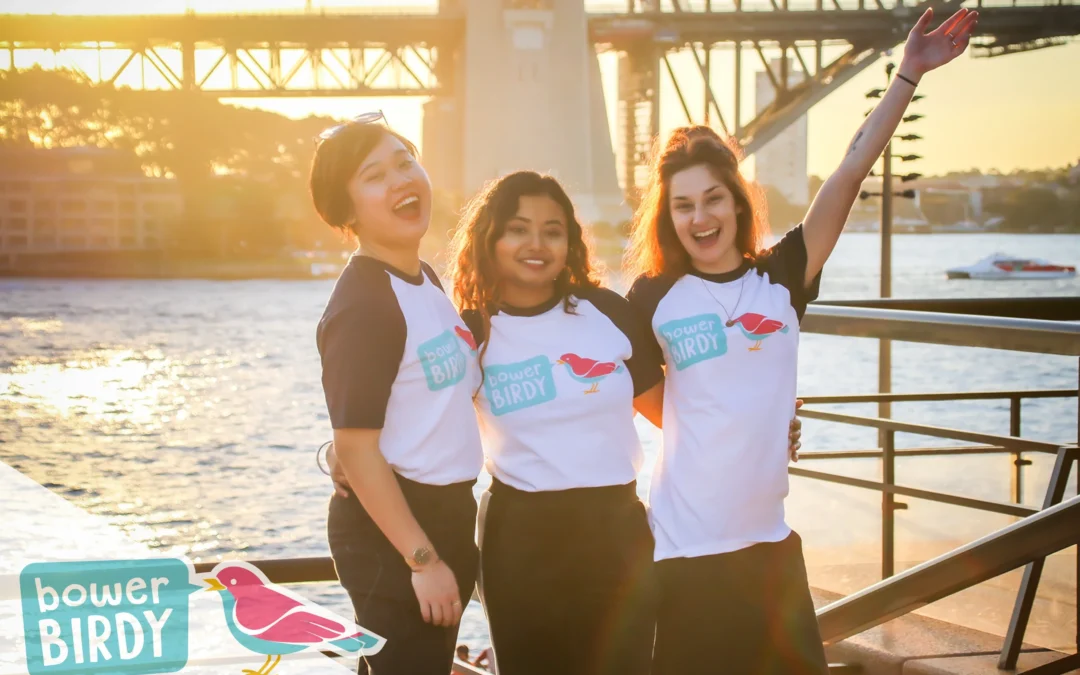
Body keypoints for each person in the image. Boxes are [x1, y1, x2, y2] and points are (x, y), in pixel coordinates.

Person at [622, 8, 978, 674]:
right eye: (682, 205)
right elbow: (644, 397)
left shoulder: (784, 275)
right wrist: (746, 423)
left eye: (712, 198)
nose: (700, 217)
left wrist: (908, 73)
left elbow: (849, 171)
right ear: (668, 216)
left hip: (770, 547)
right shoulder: (652, 296)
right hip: (684, 550)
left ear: (736, 200)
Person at [447, 171, 664, 675]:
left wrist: (764, 428)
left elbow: (671, 413)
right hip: (520, 539)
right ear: (491, 238)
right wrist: (345, 455)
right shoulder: (471, 332)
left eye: (552, 231)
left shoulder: (607, 312)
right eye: (518, 229)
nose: (536, 244)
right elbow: (422, 419)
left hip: (616, 533)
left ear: (570, 243)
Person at [312, 112, 484, 674]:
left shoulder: (423, 279)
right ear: (346, 211)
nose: (400, 180)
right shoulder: (364, 304)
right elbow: (357, 447)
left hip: (445, 514)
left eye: (405, 162)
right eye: (374, 176)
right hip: (397, 535)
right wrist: (423, 560)